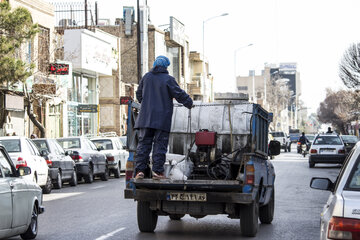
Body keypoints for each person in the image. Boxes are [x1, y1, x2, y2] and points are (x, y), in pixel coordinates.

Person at [134, 55, 193, 180]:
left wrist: (146, 105)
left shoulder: (146, 77)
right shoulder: (168, 79)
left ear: (155, 64)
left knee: (143, 145)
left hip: (145, 118)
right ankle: (158, 172)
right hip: (161, 119)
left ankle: (140, 171)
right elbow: (179, 94)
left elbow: (139, 94)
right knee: (160, 145)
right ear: (166, 66)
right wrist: (189, 103)